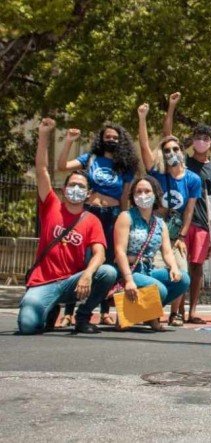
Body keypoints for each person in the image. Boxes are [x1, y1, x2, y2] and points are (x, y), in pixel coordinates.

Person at [17, 118, 117, 335]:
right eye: (72, 185)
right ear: (63, 190)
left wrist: (88, 274)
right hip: (43, 282)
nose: (76, 189)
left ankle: (82, 316)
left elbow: (100, 253)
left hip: (72, 283)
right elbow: (42, 169)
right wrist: (44, 134)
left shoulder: (91, 220)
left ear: (88, 194)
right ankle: (50, 309)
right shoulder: (51, 205)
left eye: (81, 187)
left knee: (108, 271)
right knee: (27, 326)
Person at [56, 122, 138, 327]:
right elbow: (62, 166)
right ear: (101, 139)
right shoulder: (90, 158)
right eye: (107, 137)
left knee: (108, 262)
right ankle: (69, 311)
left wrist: (124, 217)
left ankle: (103, 311)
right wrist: (68, 142)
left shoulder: (126, 166)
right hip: (89, 213)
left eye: (115, 138)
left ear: (121, 142)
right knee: (81, 259)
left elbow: (125, 195)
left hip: (112, 215)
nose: (111, 140)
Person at [162, 92, 211, 325]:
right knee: (178, 265)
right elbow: (167, 136)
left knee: (196, 268)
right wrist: (171, 108)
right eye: (197, 137)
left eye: (205, 138)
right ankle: (175, 311)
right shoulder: (183, 161)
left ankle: (192, 310)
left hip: (201, 223)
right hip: (178, 223)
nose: (201, 141)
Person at [137, 103, 202, 327]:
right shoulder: (157, 173)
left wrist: (182, 237)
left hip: (175, 236)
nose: (171, 153)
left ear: (181, 153)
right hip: (154, 234)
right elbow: (145, 147)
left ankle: (175, 313)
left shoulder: (192, 179)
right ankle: (150, 312)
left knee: (181, 272)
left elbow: (189, 211)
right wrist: (142, 118)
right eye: (167, 151)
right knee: (156, 271)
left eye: (175, 149)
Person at [113, 176, 190, 331]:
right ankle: (134, 315)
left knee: (183, 280)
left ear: (155, 194)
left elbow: (167, 251)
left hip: (148, 270)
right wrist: (128, 279)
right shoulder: (126, 217)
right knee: (159, 289)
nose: (143, 195)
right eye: (139, 191)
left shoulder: (160, 223)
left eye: (147, 191)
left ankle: (145, 314)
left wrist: (174, 267)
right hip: (129, 270)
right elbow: (119, 251)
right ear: (133, 196)